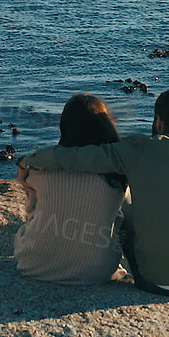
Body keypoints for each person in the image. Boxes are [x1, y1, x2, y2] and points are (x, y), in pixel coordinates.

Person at [19, 87, 169, 297]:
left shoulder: (134, 150)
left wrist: (28, 161)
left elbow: (72, 157)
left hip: (152, 281)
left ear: (159, 121)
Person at [13, 94, 129, 284]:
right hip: (97, 271)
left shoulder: (39, 171)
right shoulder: (117, 175)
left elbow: (31, 212)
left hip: (32, 264)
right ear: (105, 126)